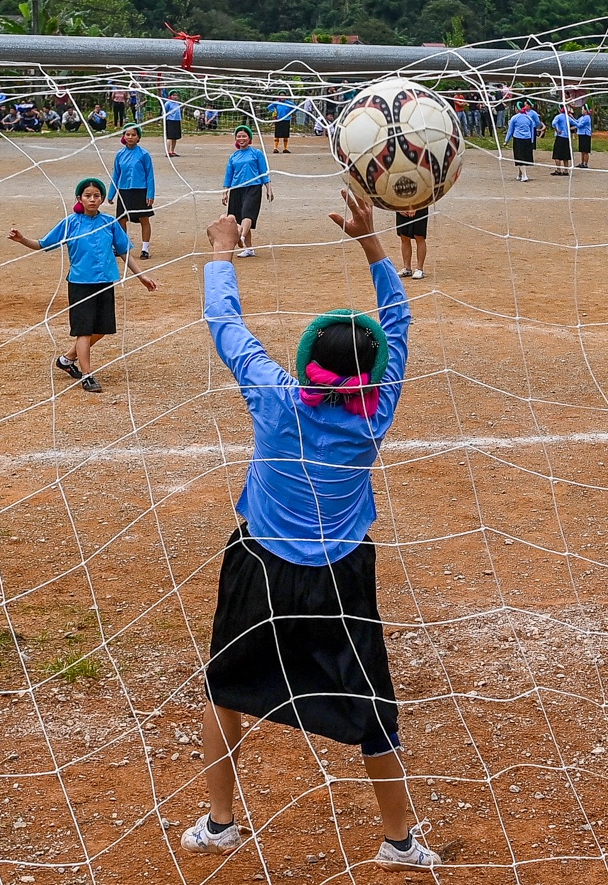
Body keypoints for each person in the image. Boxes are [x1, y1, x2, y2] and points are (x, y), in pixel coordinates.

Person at [180, 190, 440, 870]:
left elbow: (224, 321)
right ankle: (398, 840)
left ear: (303, 362)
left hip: (260, 564)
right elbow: (401, 320)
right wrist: (371, 243)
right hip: (341, 574)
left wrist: (220, 249)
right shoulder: (375, 410)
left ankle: (219, 821)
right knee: (372, 709)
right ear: (374, 372)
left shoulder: (270, 394)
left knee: (223, 687)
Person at [7, 178, 157, 392]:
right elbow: (43, 244)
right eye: (87, 195)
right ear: (79, 198)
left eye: (96, 195)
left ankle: (67, 359)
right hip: (80, 283)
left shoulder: (110, 223)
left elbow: (124, 251)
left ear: (103, 199)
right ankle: (87, 375)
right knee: (84, 331)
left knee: (102, 329)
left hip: (105, 282)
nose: (92, 199)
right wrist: (22, 239)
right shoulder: (70, 223)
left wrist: (141, 276)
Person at [220, 125, 273, 258]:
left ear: (249, 138)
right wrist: (225, 192)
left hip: (253, 187)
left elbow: (264, 172)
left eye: (244, 136)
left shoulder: (257, 154)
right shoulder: (233, 156)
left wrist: (268, 189)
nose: (241, 138)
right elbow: (228, 175)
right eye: (239, 136)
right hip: (236, 189)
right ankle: (249, 248)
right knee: (238, 217)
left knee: (247, 214)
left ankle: (240, 236)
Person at [109, 125, 157, 258]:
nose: (130, 137)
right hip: (124, 191)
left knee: (144, 219)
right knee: (121, 220)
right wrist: (111, 194)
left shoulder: (144, 154)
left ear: (138, 137)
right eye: (127, 134)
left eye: (133, 135)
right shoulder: (120, 154)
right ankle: (122, 247)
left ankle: (145, 249)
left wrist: (150, 194)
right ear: (123, 136)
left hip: (140, 191)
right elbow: (116, 175)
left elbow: (150, 175)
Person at [505, 101, 542, 181]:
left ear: (517, 109)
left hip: (518, 139)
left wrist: (506, 141)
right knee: (523, 157)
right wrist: (532, 140)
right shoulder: (528, 117)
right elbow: (532, 129)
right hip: (527, 139)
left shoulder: (514, 118)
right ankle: (519, 175)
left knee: (520, 157)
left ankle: (524, 176)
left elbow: (510, 130)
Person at [394, 205, 428, 279]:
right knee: (404, 237)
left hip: (420, 206)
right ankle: (407, 268)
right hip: (402, 206)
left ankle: (419, 269)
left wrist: (416, 207)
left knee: (419, 236)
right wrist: (398, 208)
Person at [549, 104, 573, 176]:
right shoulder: (568, 117)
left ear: (559, 110)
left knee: (557, 155)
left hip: (560, 137)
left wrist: (557, 130)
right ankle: (566, 171)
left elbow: (553, 123)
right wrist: (571, 129)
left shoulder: (558, 116)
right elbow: (576, 124)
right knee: (566, 155)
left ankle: (558, 170)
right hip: (567, 138)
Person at [162, 91, 185, 156]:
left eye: (176, 95)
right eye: (174, 95)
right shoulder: (168, 103)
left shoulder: (177, 103)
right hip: (170, 121)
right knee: (170, 137)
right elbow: (164, 112)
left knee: (175, 137)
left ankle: (172, 151)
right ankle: (167, 152)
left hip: (177, 121)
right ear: (171, 96)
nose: (175, 97)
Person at [574, 104, 593, 169]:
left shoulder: (587, 117)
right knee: (582, 150)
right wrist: (571, 117)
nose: (581, 111)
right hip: (581, 134)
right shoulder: (582, 117)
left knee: (585, 150)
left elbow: (579, 125)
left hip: (585, 135)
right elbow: (576, 121)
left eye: (582, 109)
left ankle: (585, 163)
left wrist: (574, 126)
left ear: (586, 110)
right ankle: (582, 162)